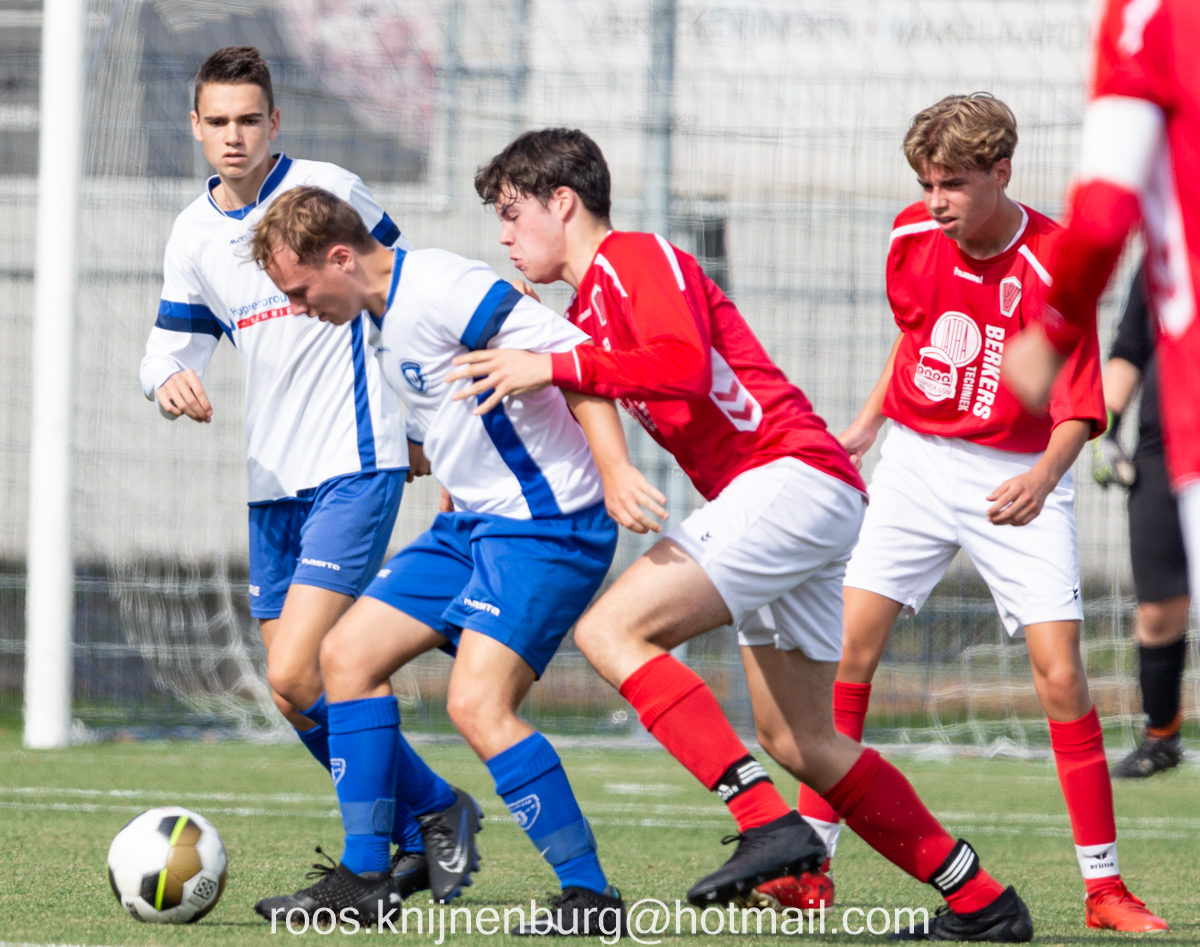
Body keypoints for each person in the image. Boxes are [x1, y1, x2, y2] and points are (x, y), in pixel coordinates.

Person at [457, 127, 1033, 941]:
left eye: (513, 213)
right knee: (799, 739)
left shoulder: (634, 257)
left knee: (611, 630)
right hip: (791, 497)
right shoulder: (585, 311)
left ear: (563, 201)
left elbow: (682, 365)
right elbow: (594, 387)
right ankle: (982, 901)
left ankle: (766, 823)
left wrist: (555, 366)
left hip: (790, 476)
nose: (505, 235)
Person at [788, 94, 1166, 933]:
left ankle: (1104, 889)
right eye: (926, 183)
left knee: (1060, 674)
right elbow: (915, 336)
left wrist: (1042, 475)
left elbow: (1079, 401)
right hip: (917, 462)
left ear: (1001, 172)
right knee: (846, 652)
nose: (935, 201)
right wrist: (867, 425)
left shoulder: (1056, 263)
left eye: (952, 184)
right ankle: (810, 869)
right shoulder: (908, 237)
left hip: (1020, 472)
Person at [248, 185, 656, 933]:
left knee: (476, 704)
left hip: (547, 526)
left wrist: (617, 469)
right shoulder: (381, 317)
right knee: (343, 657)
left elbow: (582, 361)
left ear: (340, 258)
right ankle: (365, 877)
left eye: (301, 291)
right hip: (471, 526)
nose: (299, 308)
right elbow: (459, 415)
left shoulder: (442, 288)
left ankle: (590, 897)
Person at [137, 46, 441, 912]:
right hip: (271, 481)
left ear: (275, 122)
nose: (234, 136)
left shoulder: (329, 188)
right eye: (217, 122)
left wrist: (422, 422)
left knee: (316, 663)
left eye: (249, 119)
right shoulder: (193, 234)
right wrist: (167, 379)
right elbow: (168, 346)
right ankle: (431, 815)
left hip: (355, 459)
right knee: (291, 685)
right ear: (196, 128)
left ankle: (368, 866)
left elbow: (406, 292)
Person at [1002, 0, 1200, 624]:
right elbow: (1131, 342)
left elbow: (1104, 212)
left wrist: (1052, 332)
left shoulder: (1150, 15)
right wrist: (1108, 427)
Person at [1095, 262, 1190, 779]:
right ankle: (1161, 738)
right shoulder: (1161, 254)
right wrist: (1106, 430)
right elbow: (1130, 345)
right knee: (1157, 608)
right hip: (1162, 452)